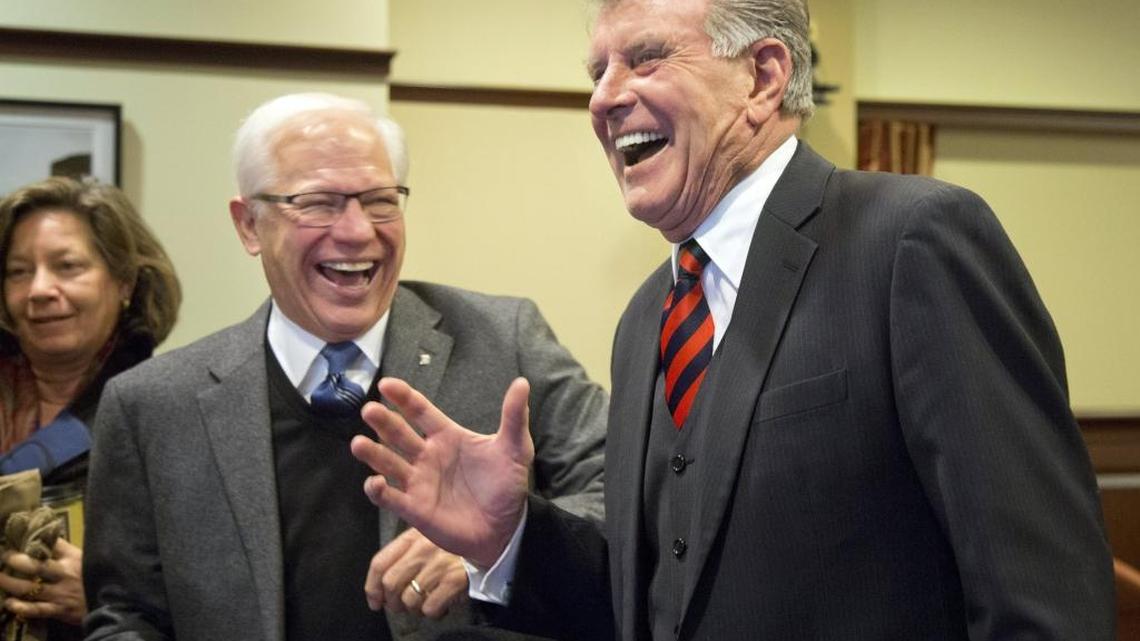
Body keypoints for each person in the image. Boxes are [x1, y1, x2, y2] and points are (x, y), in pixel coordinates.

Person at [349, 0, 1116, 639]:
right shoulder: (646, 318)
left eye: (645, 59)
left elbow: (1044, 599)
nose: (604, 98)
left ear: (763, 75)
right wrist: (511, 537)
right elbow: (654, 600)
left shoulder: (911, 241)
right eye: (596, 71)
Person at [81, 93, 607, 641]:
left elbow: (631, 499)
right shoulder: (153, 407)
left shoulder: (505, 340)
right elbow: (124, 616)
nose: (358, 231)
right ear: (249, 225)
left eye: (381, 200)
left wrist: (502, 543)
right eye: (318, 203)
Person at [0, 176, 181, 639]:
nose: (39, 289)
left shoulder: (169, 416)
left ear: (124, 282)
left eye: (67, 266)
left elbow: (233, 599)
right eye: (18, 271)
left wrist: (109, 600)